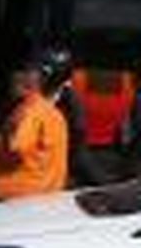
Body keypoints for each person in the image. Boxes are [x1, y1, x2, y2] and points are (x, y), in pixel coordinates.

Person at [0, 64, 68, 200]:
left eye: (14, 82)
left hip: (17, 193)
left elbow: (16, 150)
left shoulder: (27, 112)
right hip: (49, 193)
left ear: (25, 86)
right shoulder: (53, 113)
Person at [38, 47, 107, 187]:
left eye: (45, 72)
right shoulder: (34, 96)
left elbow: (78, 137)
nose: (40, 76)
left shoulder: (70, 100)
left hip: (61, 161)